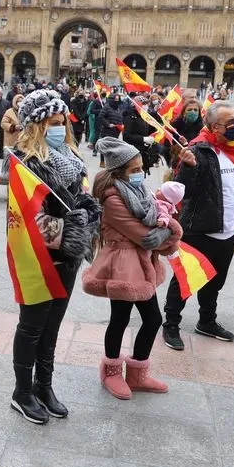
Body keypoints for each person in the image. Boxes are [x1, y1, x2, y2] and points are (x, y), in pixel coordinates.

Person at [9, 91, 101, 423]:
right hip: (38, 257)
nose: (59, 128)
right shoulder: (24, 163)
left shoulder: (72, 157)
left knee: (52, 328)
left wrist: (89, 213)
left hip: (69, 257)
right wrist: (72, 228)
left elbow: (82, 197)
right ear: (36, 126)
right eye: (52, 123)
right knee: (31, 327)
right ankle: (22, 392)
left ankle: (43, 386)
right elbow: (27, 218)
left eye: (62, 122)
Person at [84, 137, 182, 400]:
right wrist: (168, 231)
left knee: (152, 319)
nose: (141, 173)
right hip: (123, 266)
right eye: (134, 169)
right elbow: (145, 236)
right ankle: (111, 372)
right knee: (121, 318)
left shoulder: (138, 191)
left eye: (141, 168)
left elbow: (159, 220)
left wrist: (165, 229)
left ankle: (138, 373)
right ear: (119, 172)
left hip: (141, 263)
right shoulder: (112, 197)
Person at [162, 101, 234, 350]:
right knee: (184, 280)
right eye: (230, 122)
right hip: (200, 229)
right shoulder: (198, 150)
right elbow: (183, 190)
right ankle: (171, 325)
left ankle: (207, 321)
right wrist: (187, 167)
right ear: (214, 126)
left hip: (229, 230)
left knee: (215, 281)